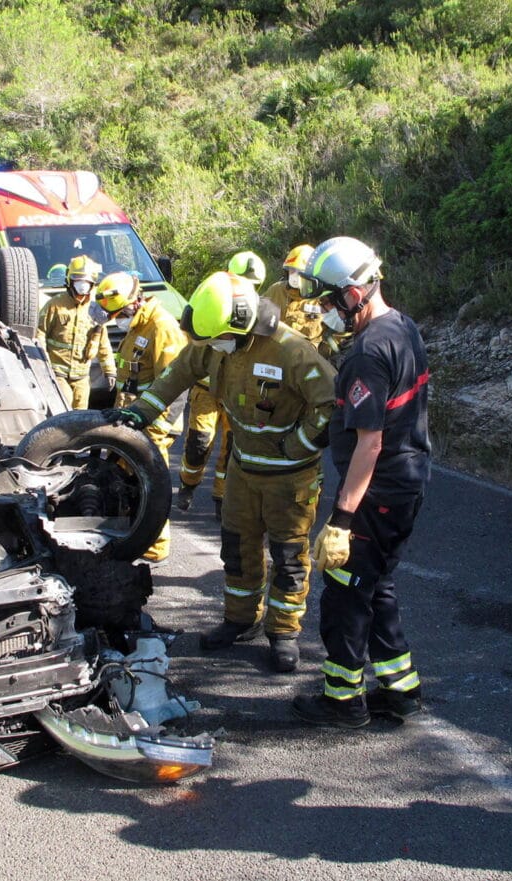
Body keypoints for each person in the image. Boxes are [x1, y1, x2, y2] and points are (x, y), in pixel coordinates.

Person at [108, 271, 336, 672]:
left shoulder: (292, 352)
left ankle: (283, 633)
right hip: (243, 472)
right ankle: (239, 619)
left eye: (217, 340)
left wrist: (297, 446)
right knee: (237, 549)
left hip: (290, 479)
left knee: (288, 559)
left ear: (242, 324)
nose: (213, 349)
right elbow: (177, 373)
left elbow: (330, 404)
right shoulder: (217, 344)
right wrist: (140, 412)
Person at [285, 237, 433, 728]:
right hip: (406, 481)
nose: (323, 309)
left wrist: (343, 519)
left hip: (376, 493)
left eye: (328, 299)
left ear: (353, 293)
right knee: (377, 584)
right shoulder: (402, 328)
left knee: (345, 591)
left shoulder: (368, 352)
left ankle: (342, 700)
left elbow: (369, 443)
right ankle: (401, 689)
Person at [94, 271, 185, 562]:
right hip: (133, 424)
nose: (117, 318)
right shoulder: (137, 325)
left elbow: (175, 384)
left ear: (135, 302)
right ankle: (136, 536)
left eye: (119, 312)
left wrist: (156, 432)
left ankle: (156, 546)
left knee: (151, 486)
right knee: (131, 483)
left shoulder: (161, 327)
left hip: (152, 427)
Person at [176, 251, 265, 517]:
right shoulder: (210, 299)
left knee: (231, 448)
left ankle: (221, 498)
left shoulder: (252, 311)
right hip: (204, 391)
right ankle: (187, 485)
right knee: (199, 443)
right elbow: (190, 349)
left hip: (234, 393)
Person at [36, 255, 116, 410]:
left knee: (80, 414)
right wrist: (42, 365)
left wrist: (110, 371)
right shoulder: (55, 305)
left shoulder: (95, 309)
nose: (82, 286)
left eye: (86, 282)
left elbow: (103, 343)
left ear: (93, 284)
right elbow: (39, 334)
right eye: (78, 281)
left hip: (82, 376)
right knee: (64, 408)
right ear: (70, 281)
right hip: (58, 373)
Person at [263, 245, 325, 351]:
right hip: (275, 353)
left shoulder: (322, 298)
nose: (295, 276)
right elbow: (261, 320)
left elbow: (336, 335)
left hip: (309, 357)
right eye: (292, 270)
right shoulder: (276, 290)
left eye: (300, 272)